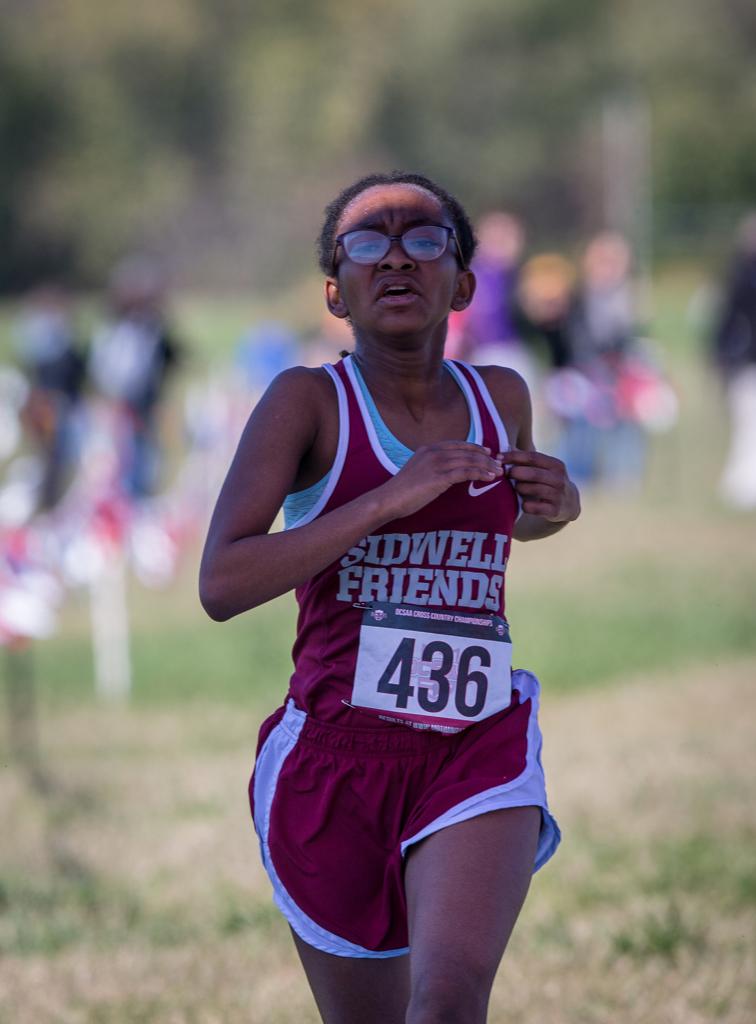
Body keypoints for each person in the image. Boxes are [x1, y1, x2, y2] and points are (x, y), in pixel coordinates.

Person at [200, 171, 581, 1024]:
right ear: (336, 291)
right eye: (368, 242)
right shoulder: (307, 402)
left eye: (425, 239)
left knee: (446, 1005)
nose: (398, 257)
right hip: (334, 759)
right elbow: (221, 583)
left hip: (475, 744)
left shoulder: (501, 397)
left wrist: (558, 506)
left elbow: (506, 520)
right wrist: (382, 500)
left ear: (466, 284)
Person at [711, 212, 756, 509]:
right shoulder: (740, 276)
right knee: (748, 425)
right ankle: (742, 485)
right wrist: (722, 357)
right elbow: (727, 323)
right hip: (747, 363)